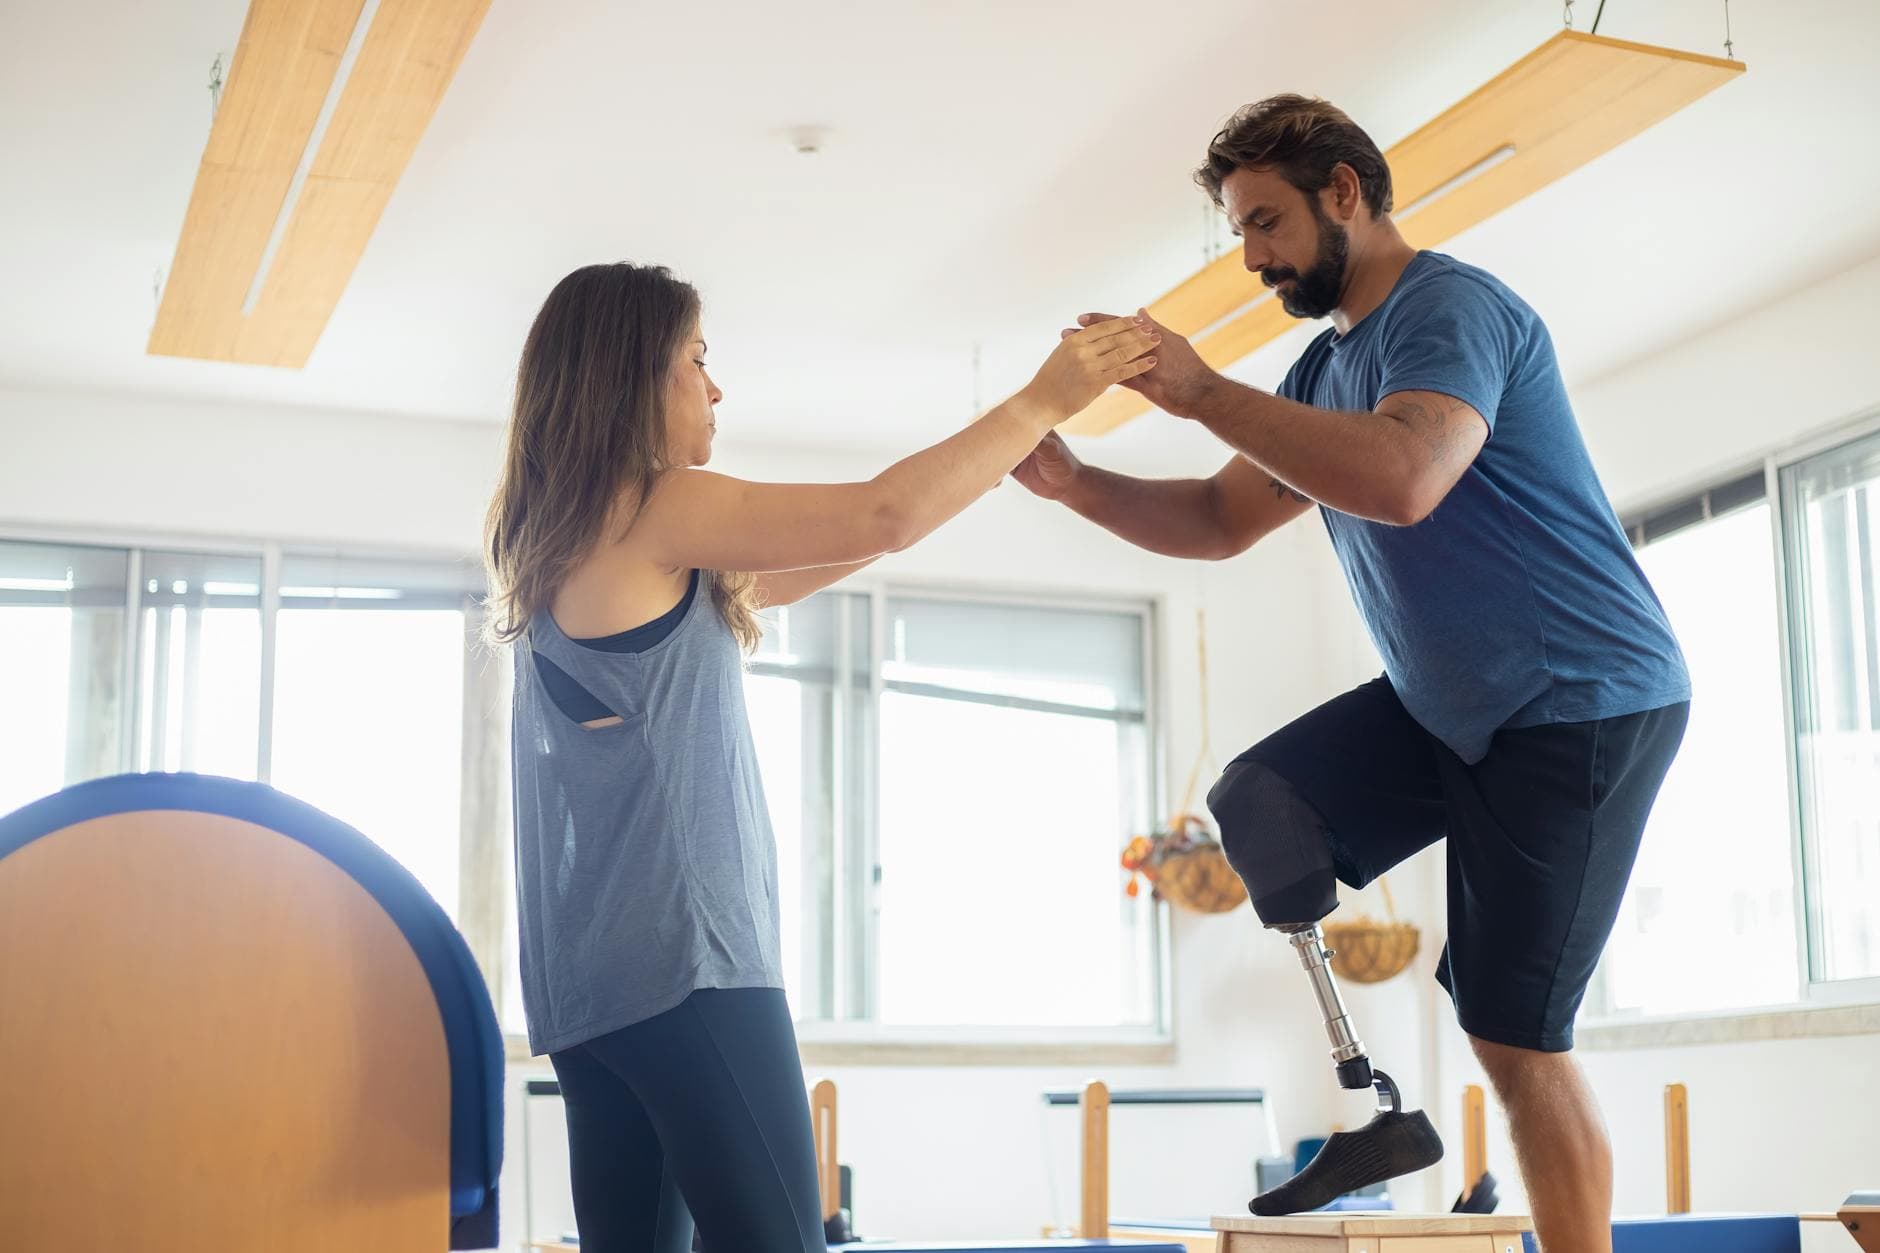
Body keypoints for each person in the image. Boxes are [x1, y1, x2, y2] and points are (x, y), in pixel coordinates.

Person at [1012, 96, 1689, 1252]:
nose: (1252, 257)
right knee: (1261, 797)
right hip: (1453, 702)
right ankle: (1369, 1101)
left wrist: (1201, 390)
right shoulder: (1321, 371)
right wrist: (1075, 485)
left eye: (1264, 222)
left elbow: (1406, 477)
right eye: (1238, 230)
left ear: (1342, 192)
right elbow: (1219, 517)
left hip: (1577, 696)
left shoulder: (1448, 310)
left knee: (1514, 1032)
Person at [483, 261, 1157, 1252]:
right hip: (691, 967)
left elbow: (835, 550)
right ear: (632, 376)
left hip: (591, 992)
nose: (715, 387)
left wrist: (986, 466)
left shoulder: (562, 539)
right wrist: (1042, 399)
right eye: (697, 359)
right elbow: (883, 512)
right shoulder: (658, 506)